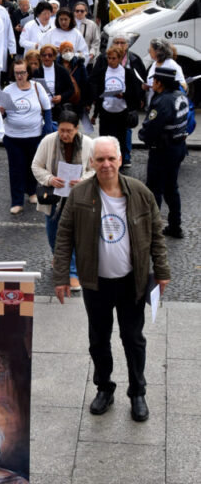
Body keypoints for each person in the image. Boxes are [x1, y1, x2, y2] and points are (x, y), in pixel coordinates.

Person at [54, 136, 170, 423]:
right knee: (98, 340)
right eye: (100, 159)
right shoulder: (80, 195)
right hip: (96, 283)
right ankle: (104, 388)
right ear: (91, 162)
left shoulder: (141, 193)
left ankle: (138, 392)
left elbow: (157, 233)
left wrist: (163, 271)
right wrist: (61, 276)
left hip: (132, 281)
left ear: (120, 160)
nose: (106, 164)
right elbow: (64, 236)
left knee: (133, 338)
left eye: (111, 159)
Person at [31, 109, 95, 292]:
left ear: (77, 129)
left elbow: (94, 169)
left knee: (74, 233)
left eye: (69, 131)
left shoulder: (89, 144)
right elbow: (36, 165)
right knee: (53, 233)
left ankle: (72, 272)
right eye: (62, 130)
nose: (65, 135)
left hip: (77, 197)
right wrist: (50, 179)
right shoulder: (48, 142)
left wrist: (82, 181)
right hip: (54, 197)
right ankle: (59, 258)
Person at [138, 66, 189, 239]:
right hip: (178, 146)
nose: (152, 84)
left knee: (154, 190)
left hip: (162, 150)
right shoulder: (180, 95)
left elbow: (152, 127)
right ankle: (175, 225)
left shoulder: (162, 101)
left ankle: (152, 227)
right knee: (171, 188)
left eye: (154, 81)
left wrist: (143, 136)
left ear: (160, 82)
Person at [0, 57, 52, 215]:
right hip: (13, 137)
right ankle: (17, 201)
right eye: (16, 73)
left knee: (32, 166)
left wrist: (47, 130)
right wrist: (1, 113)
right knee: (16, 169)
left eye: (22, 72)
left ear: (28, 73)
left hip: (34, 135)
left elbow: (47, 108)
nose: (19, 76)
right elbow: (1, 115)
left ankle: (32, 192)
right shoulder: (8, 90)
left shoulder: (37, 87)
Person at [90, 45, 142, 161]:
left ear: (119, 59)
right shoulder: (103, 72)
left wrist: (123, 95)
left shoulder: (127, 73)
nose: (111, 61)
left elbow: (134, 93)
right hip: (106, 111)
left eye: (114, 58)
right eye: (109, 58)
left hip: (121, 112)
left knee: (120, 140)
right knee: (104, 139)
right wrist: (95, 114)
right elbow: (98, 93)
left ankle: (119, 162)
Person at [33, 43, 76, 116]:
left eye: (50, 55)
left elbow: (71, 89)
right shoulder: (37, 72)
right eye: (44, 55)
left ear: (54, 57)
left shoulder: (62, 71)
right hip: (41, 109)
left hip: (57, 109)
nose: (47, 57)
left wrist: (61, 97)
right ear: (41, 57)